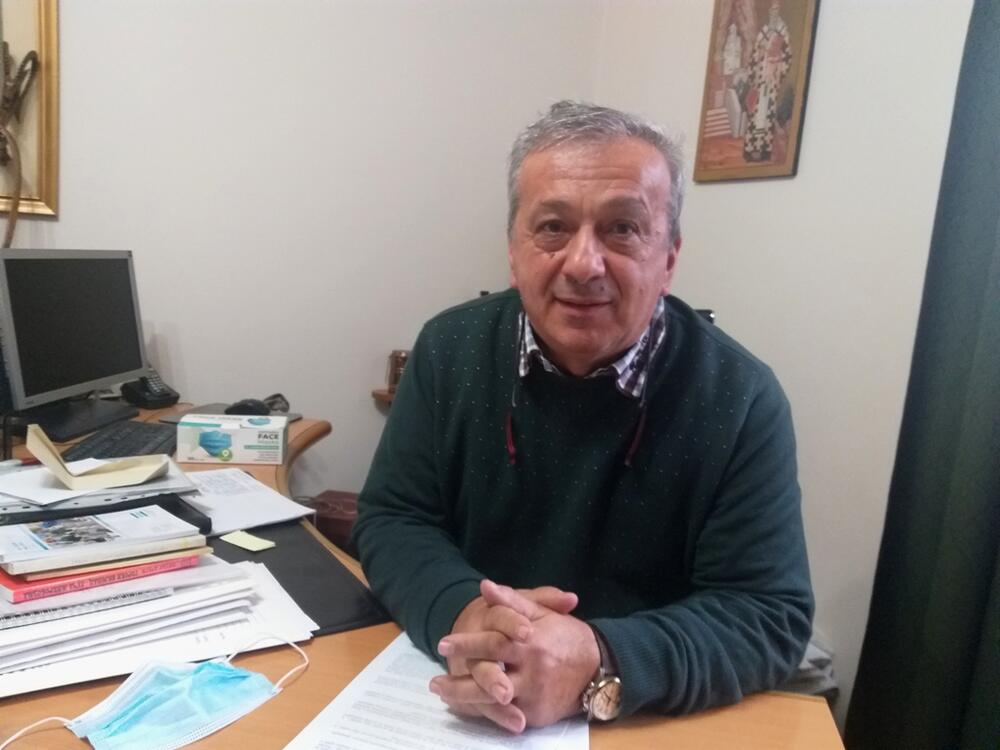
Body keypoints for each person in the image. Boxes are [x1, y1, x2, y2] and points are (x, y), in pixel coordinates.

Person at [353, 100, 813, 734]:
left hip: (644, 722)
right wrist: (467, 619)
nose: (583, 264)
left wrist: (600, 661)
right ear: (513, 251)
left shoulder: (741, 399)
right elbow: (394, 519)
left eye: (623, 228)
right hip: (457, 709)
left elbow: (766, 613)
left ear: (669, 257)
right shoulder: (447, 351)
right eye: (552, 227)